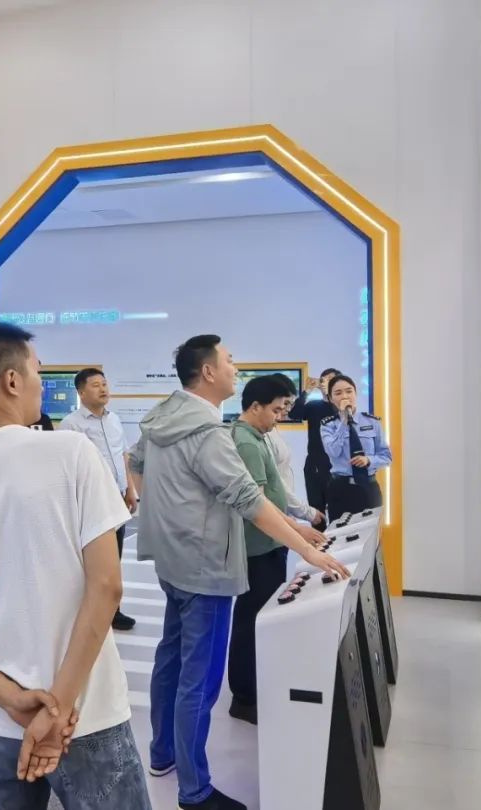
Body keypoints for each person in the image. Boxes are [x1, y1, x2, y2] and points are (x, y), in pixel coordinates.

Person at [0, 323, 151, 810]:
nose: (43, 385)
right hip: (87, 718)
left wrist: (11, 699)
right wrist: (58, 708)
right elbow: (106, 586)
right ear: (12, 381)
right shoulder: (70, 453)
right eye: (38, 372)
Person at [129, 334, 348, 810]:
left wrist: (165, 515)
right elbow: (249, 498)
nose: (235, 367)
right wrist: (306, 549)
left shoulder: (162, 416)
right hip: (204, 565)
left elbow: (136, 463)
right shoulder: (210, 432)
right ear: (208, 372)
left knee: (171, 658)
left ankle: (163, 754)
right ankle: (195, 791)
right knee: (200, 681)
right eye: (229, 360)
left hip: (172, 558)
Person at [226, 375, 300, 726]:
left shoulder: (256, 437)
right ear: (255, 406)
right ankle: (244, 696)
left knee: (259, 619)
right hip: (259, 549)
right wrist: (295, 532)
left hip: (270, 544)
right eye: (276, 410)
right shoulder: (247, 443)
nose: (280, 417)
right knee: (251, 621)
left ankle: (254, 686)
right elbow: (256, 505)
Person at [58, 368, 138, 632]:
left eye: (104, 384)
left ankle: (113, 610)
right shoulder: (71, 424)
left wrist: (130, 489)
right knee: (93, 560)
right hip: (92, 501)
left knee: (115, 557)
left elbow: (122, 454)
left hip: (117, 497)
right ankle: (90, 611)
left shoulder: (114, 420)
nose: (103, 389)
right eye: (95, 385)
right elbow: (68, 468)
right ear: (81, 392)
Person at [321, 374, 392, 519]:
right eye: (338, 393)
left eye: (349, 391)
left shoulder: (372, 422)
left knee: (371, 532)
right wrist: (344, 421)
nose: (345, 396)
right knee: (340, 531)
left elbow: (386, 457)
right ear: (331, 399)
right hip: (341, 489)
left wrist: (369, 460)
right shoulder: (328, 425)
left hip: (369, 488)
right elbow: (333, 451)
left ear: (355, 393)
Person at [265, 374, 324, 528]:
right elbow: (274, 481)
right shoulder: (262, 435)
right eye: (285, 404)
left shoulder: (272, 430)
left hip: (283, 512)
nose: (287, 410)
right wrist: (305, 512)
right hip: (274, 516)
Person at [287, 367, 340, 516]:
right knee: (317, 511)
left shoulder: (342, 407)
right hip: (314, 465)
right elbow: (294, 414)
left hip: (337, 466)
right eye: (323, 380)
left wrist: (331, 396)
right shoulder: (314, 405)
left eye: (330, 380)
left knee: (338, 510)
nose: (325, 383)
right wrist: (306, 392)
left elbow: (340, 419)